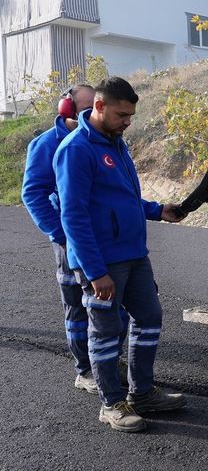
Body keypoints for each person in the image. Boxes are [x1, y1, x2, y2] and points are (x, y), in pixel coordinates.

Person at [53, 77, 187, 433]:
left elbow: (124, 200)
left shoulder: (117, 144)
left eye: (131, 115)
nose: (128, 121)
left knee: (150, 318)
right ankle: (112, 403)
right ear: (98, 106)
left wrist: (158, 210)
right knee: (106, 332)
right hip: (102, 261)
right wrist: (96, 273)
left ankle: (142, 392)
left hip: (133, 255)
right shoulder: (76, 149)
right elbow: (74, 216)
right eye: (121, 114)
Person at [21, 84, 117, 395]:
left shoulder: (102, 140)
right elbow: (33, 194)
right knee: (77, 306)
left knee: (109, 304)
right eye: (86, 107)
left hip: (102, 239)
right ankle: (85, 370)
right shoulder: (46, 144)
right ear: (66, 109)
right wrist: (60, 235)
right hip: (69, 239)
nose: (93, 113)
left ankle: (104, 359)